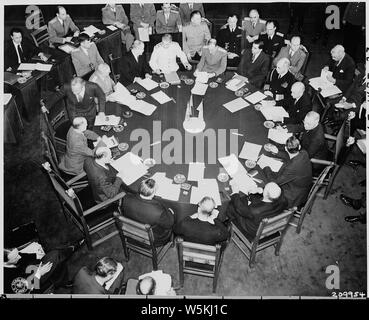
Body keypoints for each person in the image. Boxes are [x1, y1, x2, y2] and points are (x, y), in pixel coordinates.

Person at [3, 241, 83, 294]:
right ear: (4, 263)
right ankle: (70, 250)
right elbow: (25, 290)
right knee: (55, 256)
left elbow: (22, 256)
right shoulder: (6, 280)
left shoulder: (12, 256)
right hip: (32, 285)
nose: (19, 257)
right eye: (15, 257)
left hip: (28, 270)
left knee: (55, 258)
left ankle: (68, 251)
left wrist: (36, 255)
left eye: (17, 253)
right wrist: (39, 273)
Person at [121, 178, 174, 246]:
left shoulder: (126, 198)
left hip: (131, 233)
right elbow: (169, 224)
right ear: (153, 193)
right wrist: (170, 213)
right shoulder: (158, 211)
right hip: (153, 239)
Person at [262, 136, 312, 208]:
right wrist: (277, 152)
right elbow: (290, 156)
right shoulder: (304, 153)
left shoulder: (292, 168)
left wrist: (266, 167)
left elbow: (275, 182)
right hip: (302, 185)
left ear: (285, 148)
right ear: (299, 147)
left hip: (293, 195)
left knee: (266, 189)